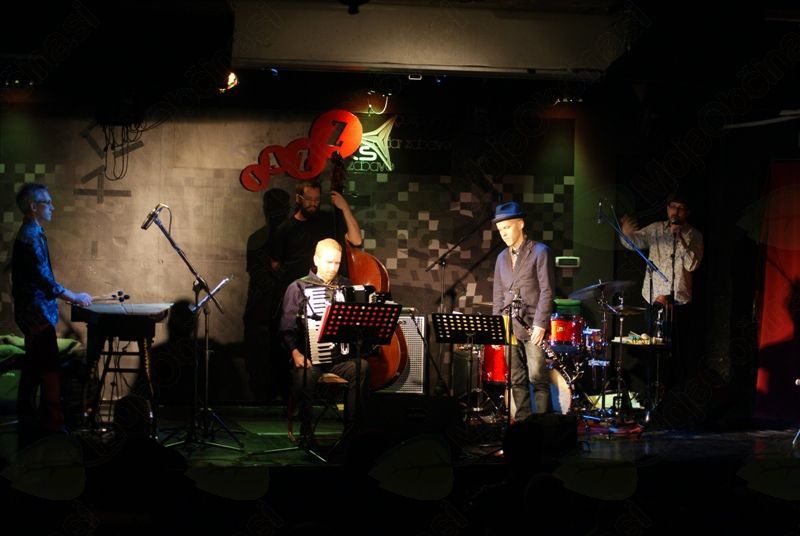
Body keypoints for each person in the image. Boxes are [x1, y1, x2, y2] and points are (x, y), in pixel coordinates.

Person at [11, 184, 92, 443]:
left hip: (33, 312)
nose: (52, 206)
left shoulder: (32, 233)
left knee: (34, 367)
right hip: (36, 314)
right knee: (48, 368)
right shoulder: (30, 236)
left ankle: (28, 420)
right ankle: (52, 424)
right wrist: (74, 296)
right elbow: (44, 280)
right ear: (33, 207)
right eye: (47, 202)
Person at [279, 238, 370, 436]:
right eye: (329, 262)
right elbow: (286, 328)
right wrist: (295, 353)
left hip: (339, 360)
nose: (333, 268)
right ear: (316, 260)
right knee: (304, 377)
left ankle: (352, 430)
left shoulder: (346, 286)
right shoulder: (298, 287)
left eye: (337, 263)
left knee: (361, 367)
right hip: (310, 360)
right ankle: (307, 432)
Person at [619, 190, 704, 390]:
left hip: (679, 303)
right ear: (668, 209)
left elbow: (692, 265)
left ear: (687, 213)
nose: (676, 211)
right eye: (673, 207)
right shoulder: (656, 229)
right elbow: (634, 243)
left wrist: (680, 238)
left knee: (676, 353)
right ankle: (653, 391)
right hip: (654, 299)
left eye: (681, 209)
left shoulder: (694, 235)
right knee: (653, 349)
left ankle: (674, 394)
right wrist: (626, 233)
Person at [492, 202, 556, 419]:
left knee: (538, 378)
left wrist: (540, 324)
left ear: (520, 224)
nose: (503, 234)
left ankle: (544, 424)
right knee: (516, 379)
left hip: (532, 325)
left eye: (507, 228)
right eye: (500, 230)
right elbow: (498, 295)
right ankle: (522, 423)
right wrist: (498, 328)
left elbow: (547, 290)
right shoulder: (501, 257)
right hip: (509, 326)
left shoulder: (540, 252)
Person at [270, 179, 363, 290]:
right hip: (297, 288)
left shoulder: (327, 221)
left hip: (325, 287)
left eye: (317, 199)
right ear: (298, 198)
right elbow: (275, 263)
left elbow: (356, 240)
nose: (313, 203)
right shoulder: (285, 228)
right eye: (308, 199)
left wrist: (345, 208)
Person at [243, 189, 290, 401]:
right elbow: (259, 275)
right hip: (262, 311)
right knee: (261, 365)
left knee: (270, 364)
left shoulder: (260, 238)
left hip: (267, 310)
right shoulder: (260, 239)